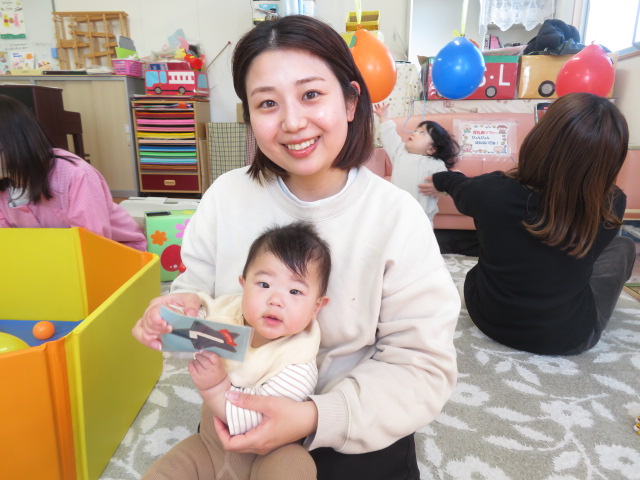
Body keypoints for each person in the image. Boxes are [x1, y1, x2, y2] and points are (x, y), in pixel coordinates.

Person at [132, 14, 459, 480]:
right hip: (234, 416)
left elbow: (421, 366)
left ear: (350, 101)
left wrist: (313, 417)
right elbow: (201, 310)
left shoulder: (396, 217)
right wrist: (173, 319)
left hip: (352, 425)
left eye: (311, 95)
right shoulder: (226, 197)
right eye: (267, 103)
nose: (292, 122)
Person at [424, 92, 636, 356]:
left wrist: (441, 179)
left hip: (487, 317)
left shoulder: (490, 191)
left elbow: (458, 185)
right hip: (567, 336)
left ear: (540, 138)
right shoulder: (612, 204)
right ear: (611, 159)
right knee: (624, 246)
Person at [136, 221, 330, 479]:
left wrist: (215, 386)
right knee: (168, 469)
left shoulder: (298, 358)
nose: (275, 300)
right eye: (264, 285)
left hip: (270, 454)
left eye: (295, 291)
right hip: (210, 445)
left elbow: (258, 420)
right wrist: (164, 319)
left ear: (317, 307)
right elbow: (189, 328)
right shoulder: (229, 315)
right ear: (243, 284)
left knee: (295, 467)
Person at [0, 94, 146, 251]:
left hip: (116, 252)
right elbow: (9, 244)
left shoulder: (76, 175)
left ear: (16, 142)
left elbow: (93, 243)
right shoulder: (5, 184)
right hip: (53, 255)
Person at [374, 102, 459, 223]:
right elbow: (389, 136)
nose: (414, 133)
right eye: (415, 130)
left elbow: (447, 184)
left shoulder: (436, 164)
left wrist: (439, 187)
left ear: (431, 149)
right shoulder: (400, 152)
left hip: (423, 217)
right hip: (398, 212)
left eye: (421, 133)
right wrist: (383, 117)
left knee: (421, 235)